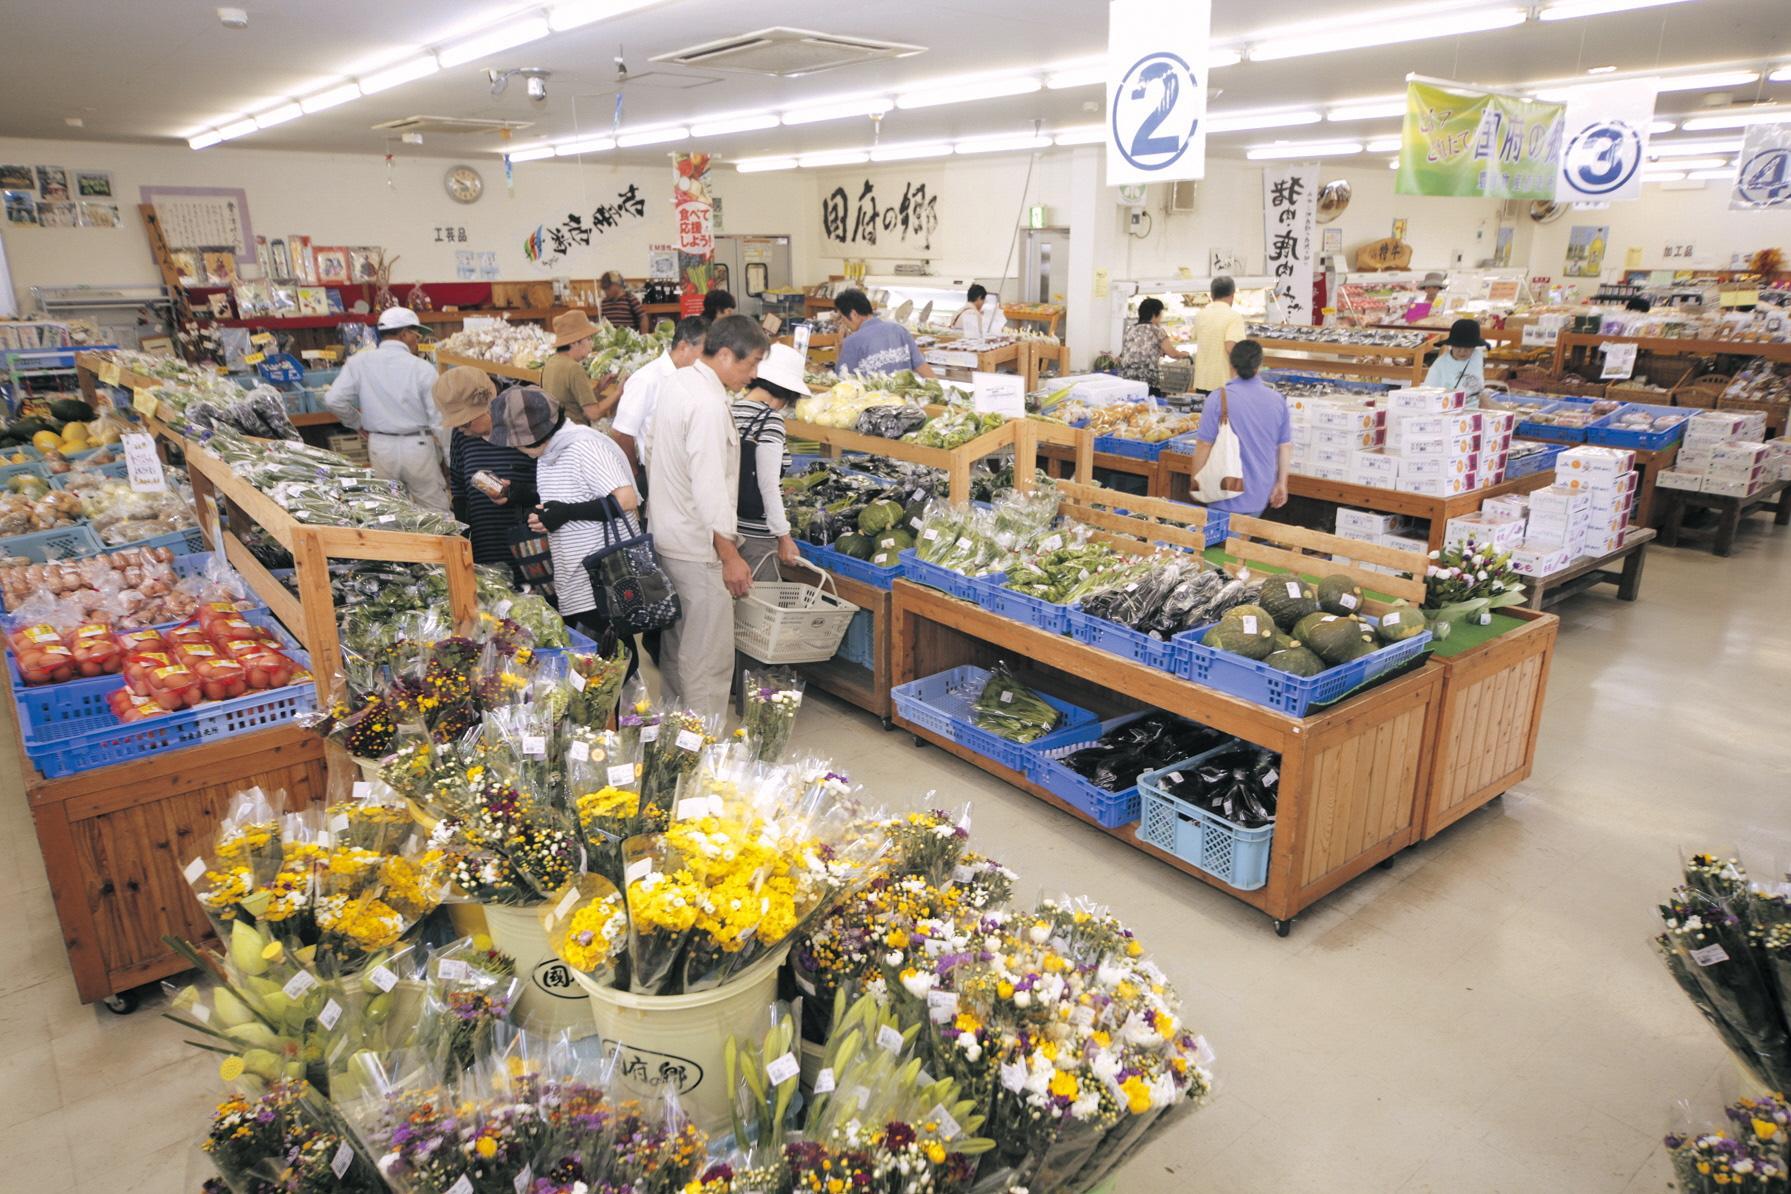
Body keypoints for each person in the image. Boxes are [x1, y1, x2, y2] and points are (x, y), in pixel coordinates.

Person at [648, 314, 770, 717]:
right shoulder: (708, 405)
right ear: (722, 354)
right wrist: (729, 555)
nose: (752, 375)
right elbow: (710, 487)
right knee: (707, 660)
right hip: (699, 549)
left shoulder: (678, 383)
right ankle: (701, 756)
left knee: (678, 650)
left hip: (668, 536)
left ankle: (673, 739)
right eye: (749, 363)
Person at [486, 385, 642, 673]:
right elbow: (574, 491)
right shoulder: (553, 450)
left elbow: (626, 499)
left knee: (607, 669)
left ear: (533, 437)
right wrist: (521, 495)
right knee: (595, 665)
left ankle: (622, 718)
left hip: (600, 583)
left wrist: (565, 514)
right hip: (578, 578)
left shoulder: (583, 446)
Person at [324, 307, 451, 512]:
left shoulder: (359, 362)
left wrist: (356, 422)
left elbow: (333, 400)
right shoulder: (422, 368)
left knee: (389, 509)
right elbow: (438, 419)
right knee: (434, 510)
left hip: (380, 446)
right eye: (416, 335)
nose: (417, 341)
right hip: (417, 447)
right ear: (404, 334)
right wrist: (449, 454)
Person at [433, 366, 539, 575]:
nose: (461, 428)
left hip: (529, 548)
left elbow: (554, 488)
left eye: (465, 421)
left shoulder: (525, 425)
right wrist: (462, 542)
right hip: (485, 544)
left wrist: (514, 492)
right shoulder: (462, 435)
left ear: (488, 408)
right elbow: (459, 490)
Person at [1187, 340, 1291, 518]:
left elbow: (1204, 444)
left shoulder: (1218, 398)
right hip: (1260, 490)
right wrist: (1282, 483)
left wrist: (1196, 479)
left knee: (1223, 541)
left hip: (1224, 487)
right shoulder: (1277, 400)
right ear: (1259, 365)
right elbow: (1285, 446)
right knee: (1242, 541)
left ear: (1230, 363)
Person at [733, 343, 808, 574]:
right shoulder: (770, 421)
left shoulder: (729, 409)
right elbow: (768, 485)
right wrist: (784, 537)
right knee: (758, 604)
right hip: (756, 536)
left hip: (728, 529)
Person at [611, 314, 707, 478]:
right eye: (704, 352)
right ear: (684, 347)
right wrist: (635, 472)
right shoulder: (646, 379)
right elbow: (621, 433)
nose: (706, 359)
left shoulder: (693, 375)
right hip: (656, 475)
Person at [834, 288, 937, 378]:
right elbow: (922, 367)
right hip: (902, 398)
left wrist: (840, 349)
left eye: (843, 318)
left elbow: (842, 379)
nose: (844, 323)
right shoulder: (899, 330)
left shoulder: (852, 341)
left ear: (854, 314)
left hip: (873, 399)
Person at [540, 310, 607, 425]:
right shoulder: (574, 368)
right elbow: (593, 414)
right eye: (588, 339)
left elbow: (573, 401)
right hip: (574, 433)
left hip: (556, 431)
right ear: (574, 343)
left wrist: (599, 387)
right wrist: (620, 391)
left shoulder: (551, 362)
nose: (592, 344)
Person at [1120, 297, 1192, 396]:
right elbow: (1173, 354)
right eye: (1161, 313)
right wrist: (1184, 354)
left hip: (1126, 379)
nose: (1161, 317)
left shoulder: (1130, 330)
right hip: (1147, 380)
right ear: (1155, 314)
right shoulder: (1157, 330)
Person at [1191, 276, 1246, 395]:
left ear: (1212, 295)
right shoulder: (1234, 317)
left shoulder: (1201, 315)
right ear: (1232, 295)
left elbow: (1194, 336)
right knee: (1223, 414)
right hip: (1223, 382)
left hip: (1202, 380)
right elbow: (1231, 347)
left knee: (1203, 413)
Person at [1423, 318, 1489, 402]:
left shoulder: (1477, 355)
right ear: (1451, 345)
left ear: (1474, 347)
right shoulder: (1440, 364)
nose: (1462, 351)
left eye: (1467, 347)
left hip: (1477, 401)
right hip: (1447, 404)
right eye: (1458, 347)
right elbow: (1427, 392)